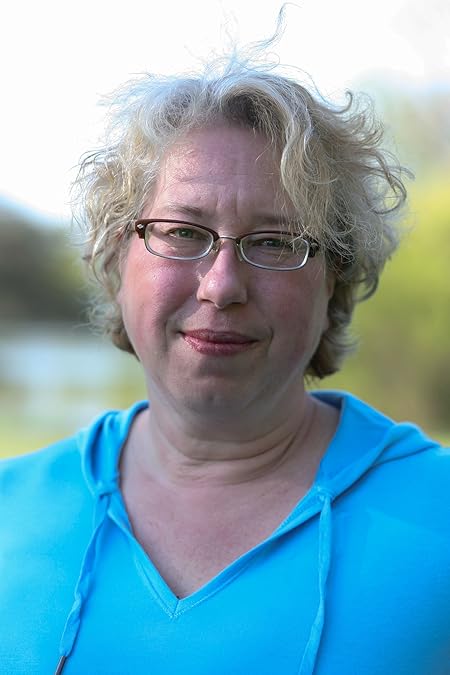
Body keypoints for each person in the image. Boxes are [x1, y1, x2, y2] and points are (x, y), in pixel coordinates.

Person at [1, 51, 449, 675]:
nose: (222, 285)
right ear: (116, 258)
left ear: (333, 281)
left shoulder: (437, 516)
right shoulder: (10, 512)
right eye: (183, 232)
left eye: (275, 242)